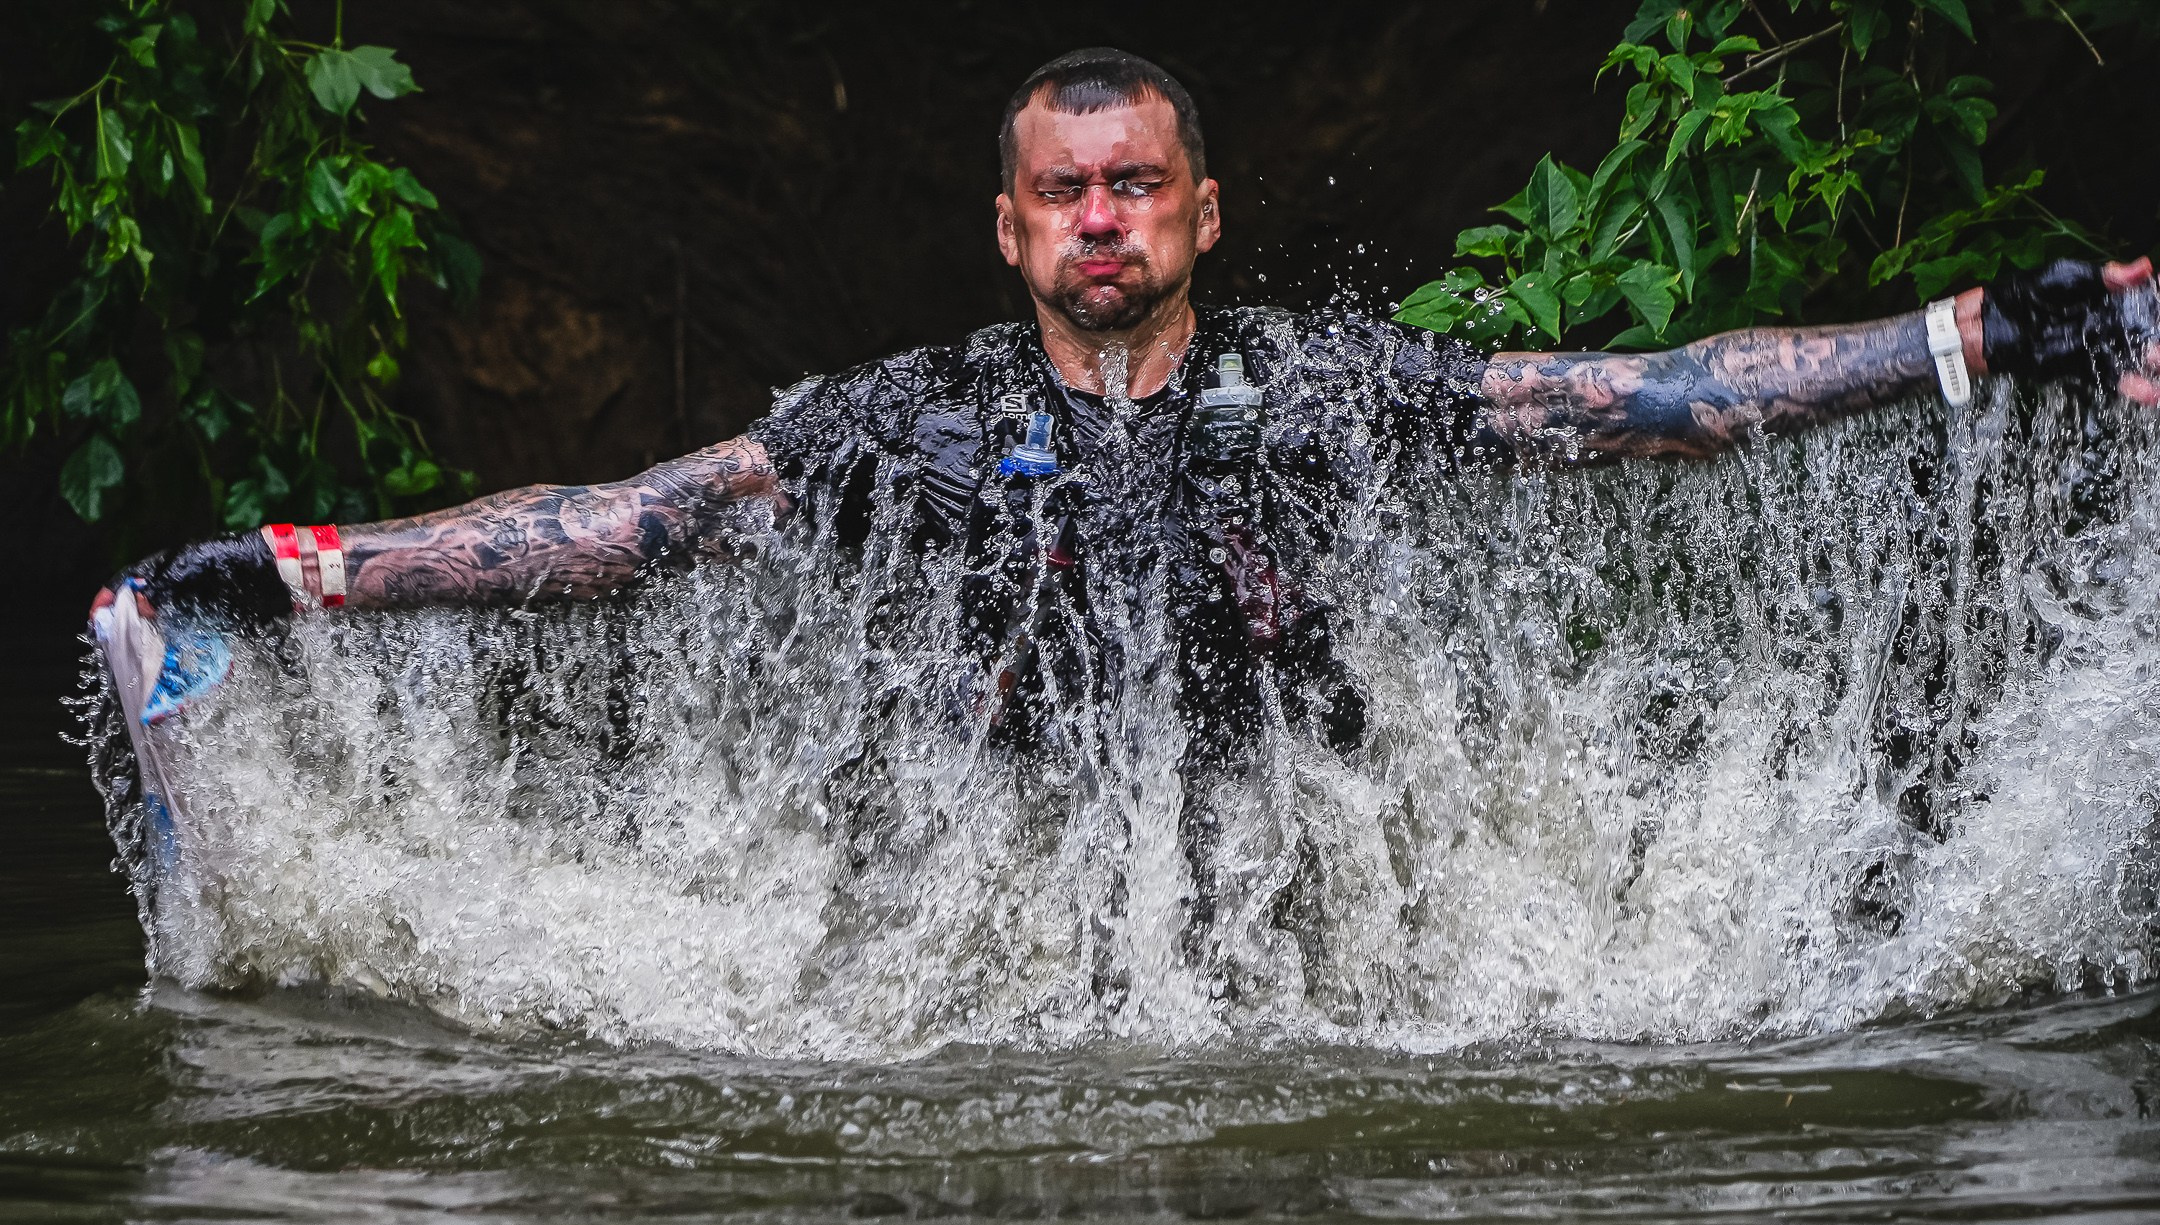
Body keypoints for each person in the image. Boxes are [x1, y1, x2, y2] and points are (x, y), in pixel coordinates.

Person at [98, 47, 2160, 758]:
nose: (1102, 220)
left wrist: (1982, 335)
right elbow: (626, 522)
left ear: (1201, 213)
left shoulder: (1324, 383)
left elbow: (1650, 396)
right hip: (1017, 888)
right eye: (1065, 193)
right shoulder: (900, 418)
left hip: (1288, 876)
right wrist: (310, 573)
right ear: (1008, 229)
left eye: (1136, 187)